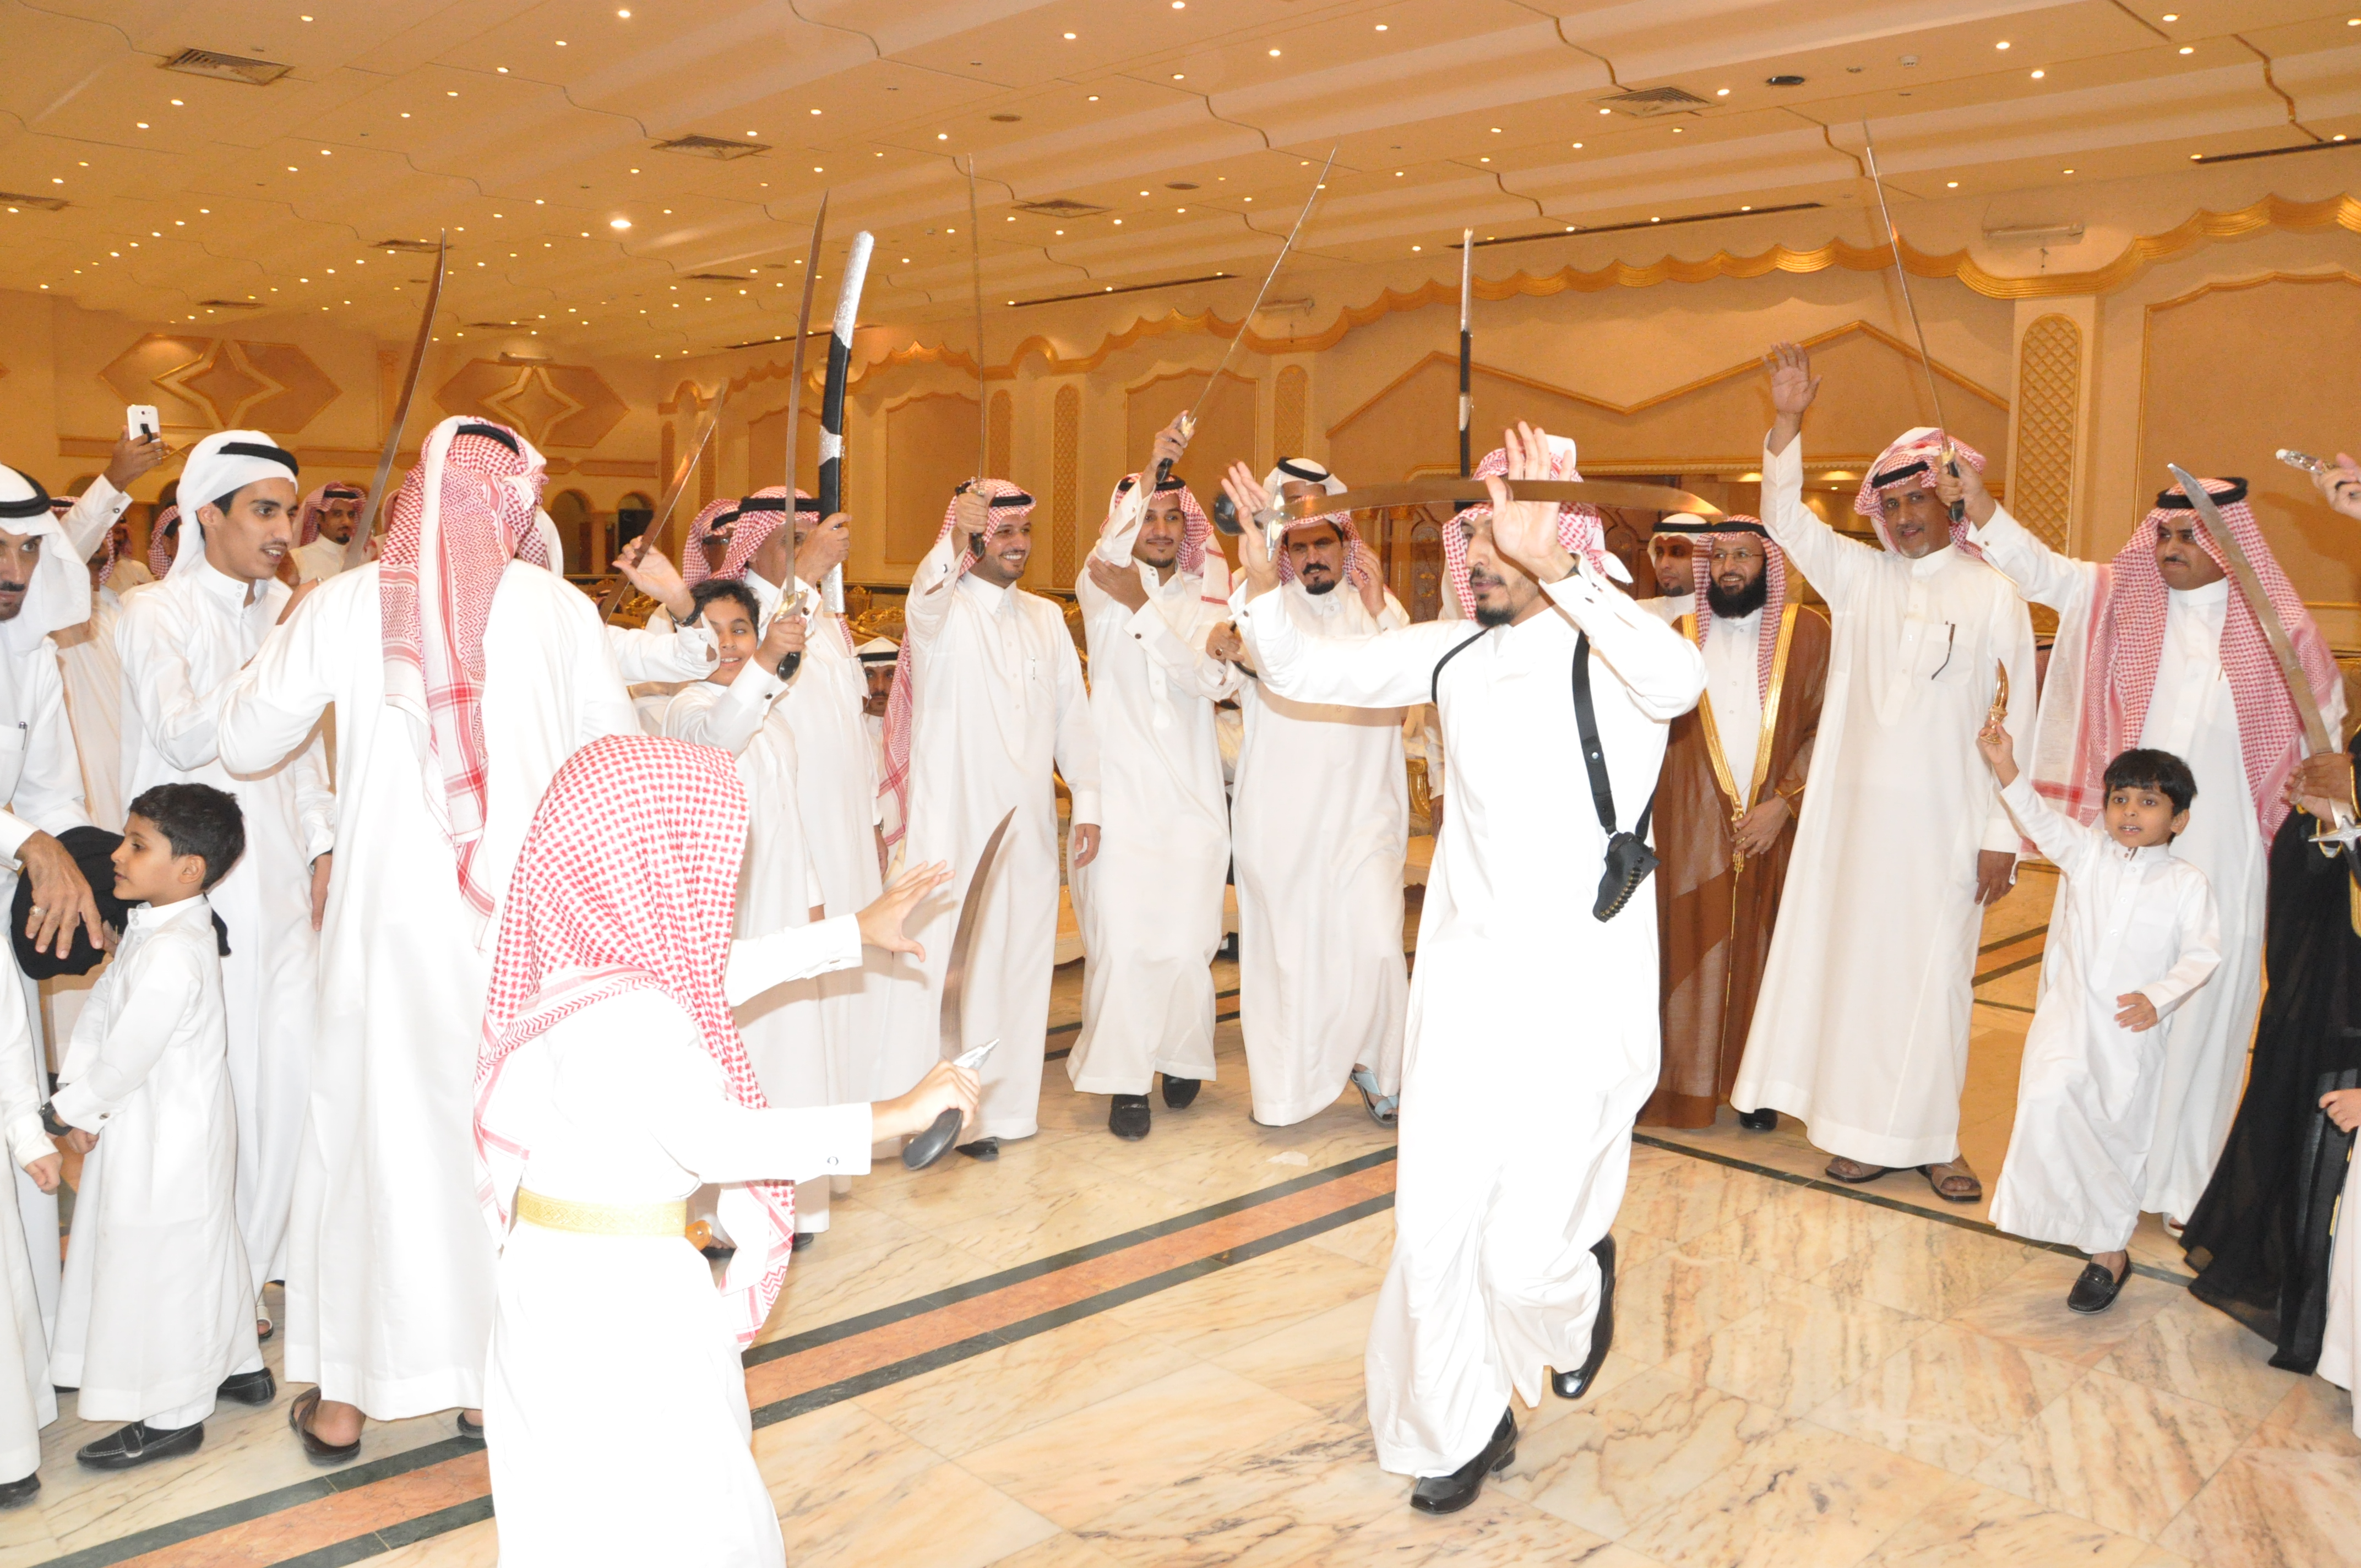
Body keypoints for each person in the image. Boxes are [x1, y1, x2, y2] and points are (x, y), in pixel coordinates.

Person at [1238, 423, 1701, 1512]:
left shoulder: (1615, 646)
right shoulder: (1450, 652)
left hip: (1579, 994)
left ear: (1556, 540)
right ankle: (1461, 1421)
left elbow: (1679, 681)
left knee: (1526, 1252)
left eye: (1502, 540)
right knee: (1435, 1223)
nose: (1480, 559)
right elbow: (1304, 666)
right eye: (1472, 541)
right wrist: (1261, 575)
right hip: (1461, 988)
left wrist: (1562, 570)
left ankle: (1572, 1292)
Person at [216, 416, 637, 1462]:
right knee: (503, 1141)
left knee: (370, 1138)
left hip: (384, 932)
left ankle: (347, 1400)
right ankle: (491, 1385)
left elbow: (244, 740)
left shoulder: (348, 602)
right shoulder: (560, 607)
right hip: (521, 923)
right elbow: (616, 763)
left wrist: (288, 641)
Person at [474, 734, 976, 1567]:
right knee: (691, 1520)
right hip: (620, 1303)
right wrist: (893, 1115)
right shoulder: (631, 1015)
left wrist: (851, 932)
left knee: (576, 1519)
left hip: (557, 1279)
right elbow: (717, 1139)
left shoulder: (572, 956)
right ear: (651, 860)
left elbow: (699, 977)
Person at [1959, 468, 2343, 1229]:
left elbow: (2323, 746)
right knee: (2101, 1014)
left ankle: (2182, 1184)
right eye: (2164, 533)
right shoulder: (2123, 604)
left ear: (2230, 544)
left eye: (2190, 534)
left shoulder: (2285, 635)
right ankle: (2095, 1171)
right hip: (2119, 858)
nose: (2171, 546)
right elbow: (2043, 570)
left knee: (2204, 1016)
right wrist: (1980, 507)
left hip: (2227, 858)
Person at [1731, 343, 2035, 1202]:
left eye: (1917, 501)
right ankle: (1861, 1132)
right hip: (1855, 829)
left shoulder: (1995, 595)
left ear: (1950, 503)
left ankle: (1934, 1142)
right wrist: (1788, 419)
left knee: (1935, 985)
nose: (1902, 519)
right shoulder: (1861, 580)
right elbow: (1785, 522)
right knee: (1860, 977)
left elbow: (2015, 716)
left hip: (1947, 828)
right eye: (1890, 505)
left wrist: (2002, 833)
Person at [117, 431, 335, 1331]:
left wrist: (324, 846)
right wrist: (278, 650)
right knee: (220, 1083)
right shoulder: (154, 614)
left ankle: (271, 1257)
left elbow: (304, 752)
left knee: (292, 1070)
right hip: (196, 888)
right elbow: (181, 736)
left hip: (284, 884)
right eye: (264, 511)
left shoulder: (284, 609)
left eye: (289, 512)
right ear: (207, 514)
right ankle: (217, 1279)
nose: (284, 531)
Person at [50, 783, 274, 1470]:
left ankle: (175, 1415)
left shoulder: (175, 949)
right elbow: (105, 1008)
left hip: (170, 1133)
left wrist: (70, 1110)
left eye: (136, 844)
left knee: (167, 1259)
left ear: (189, 869)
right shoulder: (158, 924)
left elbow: (130, 1052)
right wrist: (76, 1089)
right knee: (202, 1243)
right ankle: (239, 1363)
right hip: (152, 1121)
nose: (117, 855)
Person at [874, 480, 1100, 1158]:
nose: (1018, 544)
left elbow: (1073, 719)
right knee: (953, 968)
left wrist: (1088, 801)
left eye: (1024, 531)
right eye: (1003, 532)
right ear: (975, 539)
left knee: (1021, 962)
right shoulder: (943, 612)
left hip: (1027, 827)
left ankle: (1003, 1110)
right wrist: (953, 540)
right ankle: (938, 1110)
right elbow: (924, 599)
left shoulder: (1046, 618)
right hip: (955, 826)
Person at [1979, 732, 2219, 1309]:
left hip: (2130, 1035)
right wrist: (2007, 765)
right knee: (2047, 1099)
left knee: (2114, 1134)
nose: (2130, 812)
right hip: (2068, 1018)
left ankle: (2109, 1251)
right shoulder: (2086, 854)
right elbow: (2038, 817)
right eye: (2120, 799)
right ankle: (2059, 1217)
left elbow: (2202, 954)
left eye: (2148, 802)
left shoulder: (2187, 883)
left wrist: (2159, 997)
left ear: (2179, 820)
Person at [1207, 457, 1408, 1129]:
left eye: (1325, 541)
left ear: (1345, 542)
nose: (1314, 555)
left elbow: (1405, 692)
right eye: (1300, 544)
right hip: (1282, 821)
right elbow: (1223, 674)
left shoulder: (1380, 607)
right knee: (1291, 961)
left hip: (1364, 818)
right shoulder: (1259, 606)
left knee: (1377, 944)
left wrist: (1377, 612)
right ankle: (1288, 1092)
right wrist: (1222, 641)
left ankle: (1378, 1066)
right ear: (1284, 551)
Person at [1070, 420, 1240, 1140]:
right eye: (1150, 518)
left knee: (1188, 943)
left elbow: (1213, 680)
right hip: (1121, 802)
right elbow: (1107, 552)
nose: (1162, 530)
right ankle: (1125, 1081)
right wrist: (1150, 466)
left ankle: (1177, 1054)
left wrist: (1148, 614)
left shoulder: (1209, 593)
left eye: (1174, 518)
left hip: (1193, 804)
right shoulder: (1101, 586)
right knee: (1124, 943)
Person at [661, 579, 839, 1242]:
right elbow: (719, 740)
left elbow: (791, 812)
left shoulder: (774, 713)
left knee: (791, 1050)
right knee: (733, 1057)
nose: (729, 643)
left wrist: (813, 897)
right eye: (711, 632)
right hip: (726, 915)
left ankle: (794, 1204)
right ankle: (723, 1218)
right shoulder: (685, 708)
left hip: (784, 903)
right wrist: (767, 660)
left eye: (740, 628)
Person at [2179, 733, 2361, 1370]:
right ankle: (2311, 1310)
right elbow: (2315, 852)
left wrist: (2349, 810)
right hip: (2333, 990)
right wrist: (2327, 816)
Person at [1640, 517, 1829, 1131]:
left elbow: (1827, 726)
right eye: (1719, 556)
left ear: (1768, 563)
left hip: (1777, 823)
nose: (1729, 568)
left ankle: (1758, 1088)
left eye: (1743, 555)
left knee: (1765, 950)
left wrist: (1786, 802)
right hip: (1689, 822)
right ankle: (1681, 1084)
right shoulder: (1678, 635)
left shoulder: (1809, 634)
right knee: (1687, 945)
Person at [0, 462, 113, 1332]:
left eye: (31, 549)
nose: (15, 570)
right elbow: (29, 827)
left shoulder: (30, 655)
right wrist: (28, 844)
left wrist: (101, 875)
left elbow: (51, 795)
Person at [290, 483, 364, 584]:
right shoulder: (298, 559)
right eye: (337, 515)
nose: (347, 522)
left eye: (351, 515)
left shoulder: (359, 563)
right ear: (319, 518)